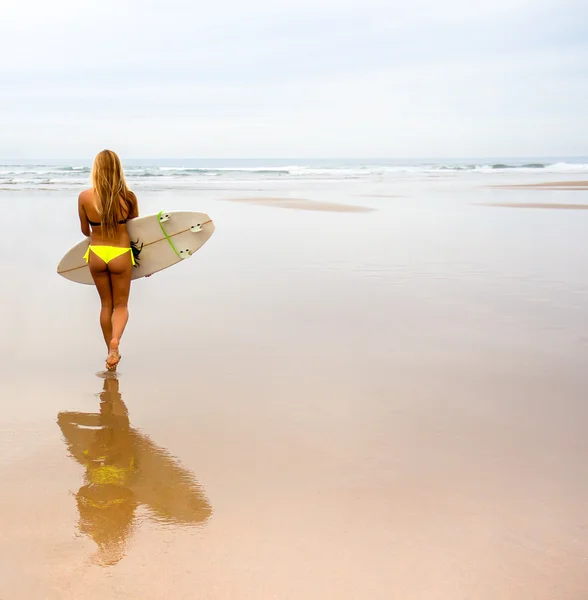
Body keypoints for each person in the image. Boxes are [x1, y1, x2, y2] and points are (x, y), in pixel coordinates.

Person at [78, 150, 139, 371]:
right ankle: (116, 342)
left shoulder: (84, 197)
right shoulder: (128, 197)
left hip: (96, 254)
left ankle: (110, 352)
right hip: (120, 255)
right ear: (118, 169)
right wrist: (148, 264)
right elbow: (137, 231)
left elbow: (85, 231)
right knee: (121, 305)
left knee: (106, 305)